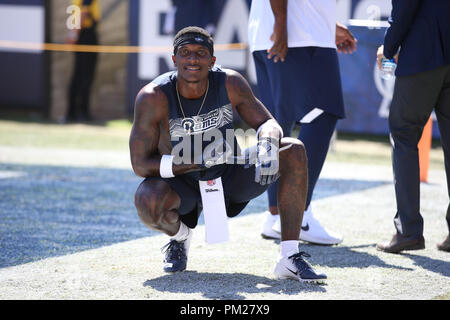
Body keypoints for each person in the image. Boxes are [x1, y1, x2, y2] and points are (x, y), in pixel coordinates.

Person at [129, 26, 327, 281]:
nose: (192, 59)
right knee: (148, 199)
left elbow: (268, 123)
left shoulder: (229, 82)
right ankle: (180, 236)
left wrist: (267, 142)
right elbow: (139, 164)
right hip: (181, 184)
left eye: (201, 53)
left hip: (227, 176)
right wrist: (188, 164)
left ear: (212, 61)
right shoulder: (153, 96)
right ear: (174, 59)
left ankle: (289, 256)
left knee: (293, 149)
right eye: (185, 53)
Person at [248, 0, 357, 245]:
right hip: (299, 35)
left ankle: (276, 214)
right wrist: (282, 24)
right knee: (324, 114)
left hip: (276, 31)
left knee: (276, 124)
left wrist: (327, 23)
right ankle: (298, 216)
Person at [376, 0, 450, 253]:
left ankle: (408, 230)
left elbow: (406, 7)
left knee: (404, 134)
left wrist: (388, 48)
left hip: (424, 53)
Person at [66, 0, 101, 122]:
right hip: (85, 36)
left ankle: (76, 113)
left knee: (82, 76)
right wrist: (74, 35)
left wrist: (72, 35)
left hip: (85, 36)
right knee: (83, 77)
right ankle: (78, 113)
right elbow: (82, 15)